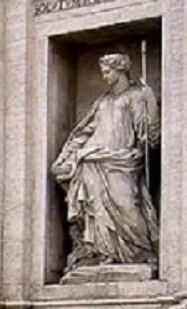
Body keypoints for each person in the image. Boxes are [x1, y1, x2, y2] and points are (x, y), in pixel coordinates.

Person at [51, 53, 160, 273]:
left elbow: (149, 135)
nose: (104, 77)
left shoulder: (136, 96)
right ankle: (106, 253)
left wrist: (150, 103)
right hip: (93, 161)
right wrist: (64, 158)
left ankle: (140, 252)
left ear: (120, 70)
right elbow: (83, 132)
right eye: (103, 72)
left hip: (122, 161)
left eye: (108, 72)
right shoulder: (102, 101)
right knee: (97, 210)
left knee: (127, 206)